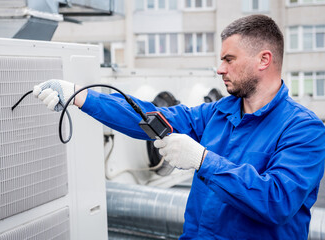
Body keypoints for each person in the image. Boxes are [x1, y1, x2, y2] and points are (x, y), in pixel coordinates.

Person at [33, 15, 325, 239]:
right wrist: (81, 95)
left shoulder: (303, 130)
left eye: (229, 59)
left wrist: (202, 160)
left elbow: (276, 201)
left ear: (264, 60)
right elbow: (149, 117)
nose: (220, 69)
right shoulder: (217, 113)